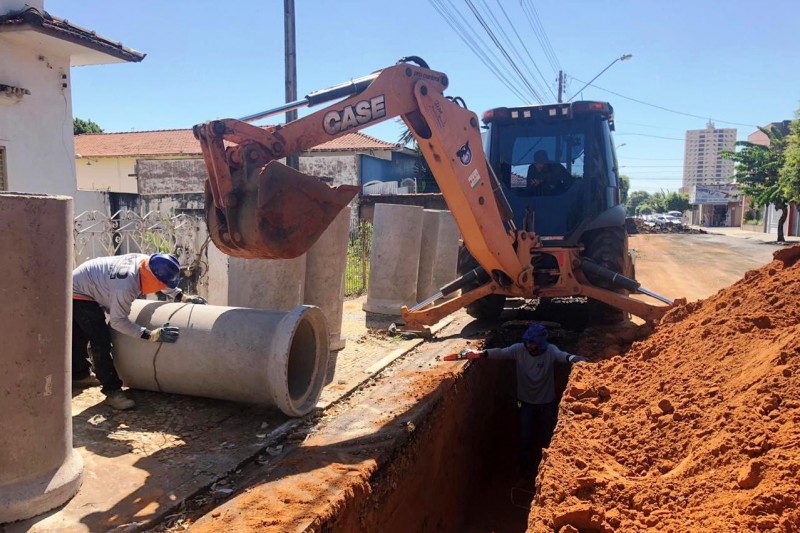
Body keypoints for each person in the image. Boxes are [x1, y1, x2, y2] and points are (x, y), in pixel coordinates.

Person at [72, 253, 208, 410]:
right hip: (79, 291)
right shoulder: (126, 287)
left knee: (78, 334)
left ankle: (79, 374)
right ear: (151, 277)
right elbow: (118, 322)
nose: (161, 287)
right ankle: (112, 391)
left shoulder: (147, 263)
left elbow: (161, 281)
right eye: (160, 283)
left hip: (90, 279)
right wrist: (149, 335)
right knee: (100, 339)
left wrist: (182, 296)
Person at [457, 323, 589, 480]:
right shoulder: (519, 349)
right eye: (527, 342)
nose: (528, 345)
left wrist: (575, 358)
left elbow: (563, 356)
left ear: (540, 343)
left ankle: (548, 473)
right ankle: (525, 470)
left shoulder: (550, 351)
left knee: (548, 437)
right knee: (525, 436)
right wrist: (479, 353)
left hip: (547, 403)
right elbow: (500, 353)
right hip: (526, 403)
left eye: (532, 343)